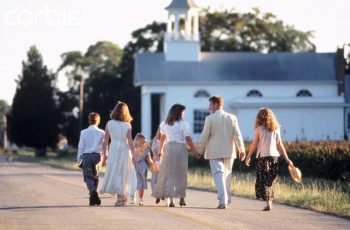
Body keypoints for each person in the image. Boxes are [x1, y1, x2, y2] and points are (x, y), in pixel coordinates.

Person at [196, 95, 246, 209]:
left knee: (219, 175)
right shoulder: (232, 117)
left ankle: (223, 200)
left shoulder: (209, 119)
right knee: (227, 175)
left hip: (214, 152)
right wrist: (241, 149)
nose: (209, 108)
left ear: (217, 105)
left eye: (211, 105)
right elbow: (238, 135)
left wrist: (199, 150)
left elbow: (204, 136)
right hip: (229, 151)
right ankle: (226, 199)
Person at [245, 107, 293, 211]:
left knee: (263, 181)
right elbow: (280, 145)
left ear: (259, 117)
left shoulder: (258, 129)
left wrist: (248, 156)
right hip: (274, 158)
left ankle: (268, 203)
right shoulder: (276, 128)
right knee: (270, 181)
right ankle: (269, 202)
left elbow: (254, 144)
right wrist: (287, 159)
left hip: (262, 158)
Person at [152, 104, 199, 207]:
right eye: (183, 112)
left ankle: (171, 200)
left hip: (169, 149)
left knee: (170, 174)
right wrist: (194, 150)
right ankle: (182, 198)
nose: (184, 114)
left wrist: (160, 151)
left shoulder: (164, 124)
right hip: (181, 149)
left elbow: (162, 138)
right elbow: (187, 138)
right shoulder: (183, 124)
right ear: (179, 113)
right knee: (181, 173)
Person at [100, 101, 137, 207]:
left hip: (114, 149)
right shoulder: (127, 125)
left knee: (116, 172)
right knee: (123, 172)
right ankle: (122, 196)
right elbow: (130, 141)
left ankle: (120, 197)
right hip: (124, 149)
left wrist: (105, 154)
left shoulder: (109, 123)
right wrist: (133, 155)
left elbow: (105, 141)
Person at [77, 112, 105, 206]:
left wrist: (78, 159)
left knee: (88, 177)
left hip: (87, 156)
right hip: (97, 156)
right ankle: (92, 199)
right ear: (98, 121)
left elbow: (81, 146)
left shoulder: (83, 132)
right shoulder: (102, 132)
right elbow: (104, 146)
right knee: (95, 177)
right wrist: (105, 157)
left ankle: (93, 192)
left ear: (89, 121)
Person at [133, 133, 153, 206]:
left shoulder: (144, 149)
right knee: (137, 183)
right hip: (137, 166)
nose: (142, 143)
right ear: (137, 140)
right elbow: (149, 160)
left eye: (143, 142)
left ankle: (138, 199)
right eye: (141, 142)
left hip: (139, 166)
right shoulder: (133, 147)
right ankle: (136, 198)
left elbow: (149, 159)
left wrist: (154, 165)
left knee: (139, 183)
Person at [151, 128, 162, 204]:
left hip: (159, 160)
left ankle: (159, 194)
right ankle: (159, 194)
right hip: (159, 160)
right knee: (158, 179)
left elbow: (153, 150)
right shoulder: (156, 141)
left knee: (155, 179)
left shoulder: (155, 141)